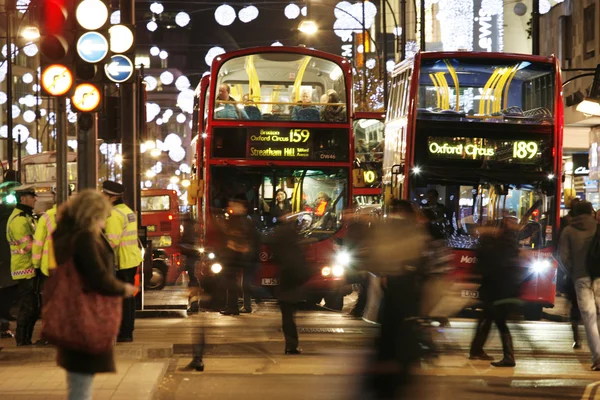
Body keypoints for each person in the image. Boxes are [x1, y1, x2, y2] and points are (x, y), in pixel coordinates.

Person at [52, 189, 136, 400]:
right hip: (85, 311)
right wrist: (123, 289)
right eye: (102, 216)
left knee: (79, 377)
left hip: (74, 309)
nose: (105, 222)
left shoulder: (66, 233)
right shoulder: (84, 238)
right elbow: (96, 275)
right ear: (92, 214)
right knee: (81, 380)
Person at [364, 200, 429, 398]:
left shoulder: (384, 229)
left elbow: (374, 257)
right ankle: (400, 376)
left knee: (388, 335)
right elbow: (421, 263)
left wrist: (383, 273)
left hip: (391, 288)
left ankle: (384, 380)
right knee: (403, 334)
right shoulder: (414, 232)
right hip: (407, 291)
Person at [468, 214, 522, 367]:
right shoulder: (501, 241)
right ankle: (477, 350)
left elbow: (490, 265)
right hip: (498, 288)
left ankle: (508, 357)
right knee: (489, 319)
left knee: (496, 321)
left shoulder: (497, 242)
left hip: (497, 289)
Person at [559, 201, 600, 370]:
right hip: (598, 276)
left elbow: (563, 257)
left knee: (589, 318)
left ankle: (598, 357)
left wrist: (573, 272)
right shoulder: (597, 227)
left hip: (580, 278)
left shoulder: (568, 230)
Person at [102, 180, 143, 343]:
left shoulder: (114, 215)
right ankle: (127, 331)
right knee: (128, 298)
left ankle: (123, 332)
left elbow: (111, 243)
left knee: (122, 299)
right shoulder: (127, 210)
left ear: (111, 198)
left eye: (103, 195)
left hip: (121, 261)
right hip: (131, 259)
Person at [271, 212, 310, 354]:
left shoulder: (278, 233)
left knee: (287, 315)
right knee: (289, 315)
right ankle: (291, 345)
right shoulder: (292, 233)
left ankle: (291, 344)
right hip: (292, 278)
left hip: (286, 278)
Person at [7, 185, 38, 346]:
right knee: (28, 305)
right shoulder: (19, 220)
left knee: (32, 305)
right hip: (24, 268)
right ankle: (22, 339)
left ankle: (25, 339)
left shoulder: (27, 217)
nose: (35, 199)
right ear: (23, 198)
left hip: (29, 266)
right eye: (32, 196)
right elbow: (28, 246)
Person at [219, 196, 259, 315]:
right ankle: (232, 306)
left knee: (233, 282)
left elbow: (245, 239)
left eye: (233, 205)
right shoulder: (237, 219)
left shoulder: (243, 221)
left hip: (236, 257)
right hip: (234, 257)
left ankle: (233, 307)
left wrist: (234, 246)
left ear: (241, 207)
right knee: (231, 281)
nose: (230, 207)